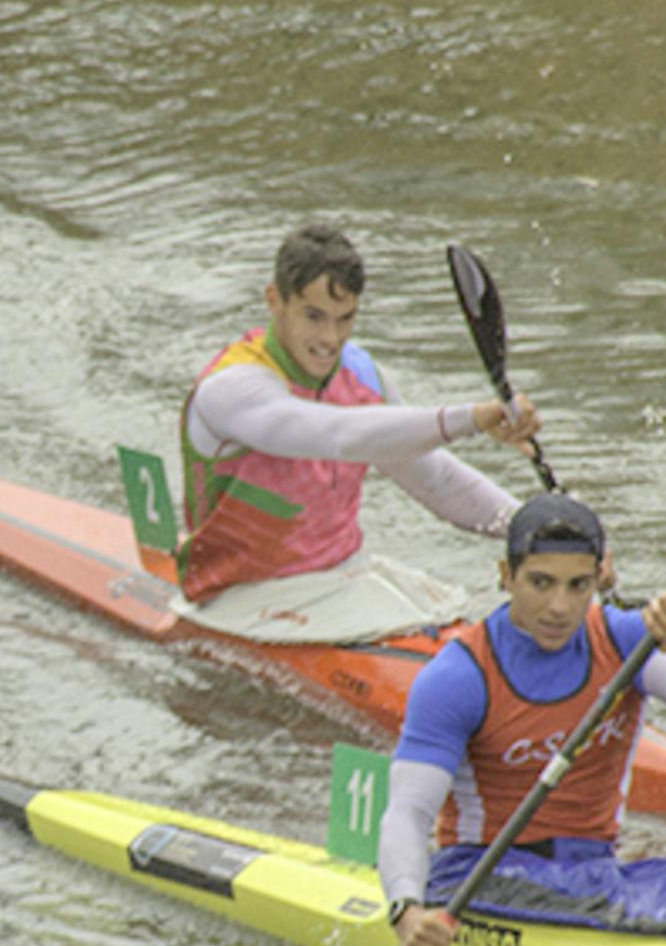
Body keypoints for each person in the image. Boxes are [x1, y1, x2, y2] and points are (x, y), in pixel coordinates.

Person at [380, 492, 666, 946]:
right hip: (485, 876)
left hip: (593, 874)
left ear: (599, 578)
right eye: (540, 583)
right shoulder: (459, 676)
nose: (559, 606)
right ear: (505, 576)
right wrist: (407, 912)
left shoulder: (619, 639)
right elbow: (408, 812)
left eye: (578, 586)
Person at [172, 222, 547, 639]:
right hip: (241, 599)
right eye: (313, 317)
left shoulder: (363, 376)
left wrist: (539, 530)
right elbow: (338, 435)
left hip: (345, 579)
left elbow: (436, 480)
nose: (329, 339)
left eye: (344, 319)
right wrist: (473, 420)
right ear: (274, 300)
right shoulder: (232, 388)